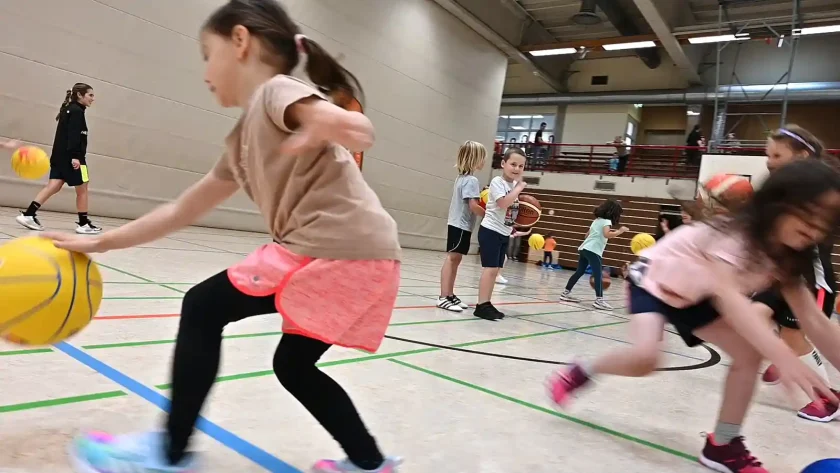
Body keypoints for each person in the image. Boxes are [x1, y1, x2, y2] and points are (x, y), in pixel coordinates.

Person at [57, 1, 402, 472]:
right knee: (294, 367)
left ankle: (169, 454)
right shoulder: (242, 139)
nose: (204, 69)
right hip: (367, 256)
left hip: (335, 249)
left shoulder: (277, 92)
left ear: (240, 41)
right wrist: (100, 241)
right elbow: (182, 210)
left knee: (203, 306)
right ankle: (369, 463)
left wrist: (332, 121)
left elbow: (360, 131)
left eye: (206, 52)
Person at [547, 159, 840, 473]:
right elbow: (730, 300)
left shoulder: (791, 254)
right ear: (779, 202)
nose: (816, 227)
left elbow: (815, 321)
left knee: (749, 355)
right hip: (654, 282)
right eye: (809, 213)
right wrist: (783, 356)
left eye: (827, 220)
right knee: (646, 359)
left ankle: (723, 445)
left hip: (697, 295)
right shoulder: (737, 233)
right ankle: (583, 369)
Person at [752, 125, 839, 422]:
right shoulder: (783, 189)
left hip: (810, 279)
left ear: (802, 156)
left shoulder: (816, 191)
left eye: (777, 154)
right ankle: (786, 356)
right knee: (754, 315)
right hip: (782, 274)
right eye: (767, 154)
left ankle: (826, 397)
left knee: (798, 334)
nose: (769, 160)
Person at [16, 83, 101, 234]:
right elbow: (74, 136)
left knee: (54, 185)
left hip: (59, 157)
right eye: (90, 95)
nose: (93, 99)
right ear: (80, 95)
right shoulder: (76, 112)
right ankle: (83, 224)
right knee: (83, 188)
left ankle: (29, 214)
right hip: (74, 158)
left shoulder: (68, 109)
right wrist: (76, 157)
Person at [475, 147, 531, 320]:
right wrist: (519, 188)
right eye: (513, 164)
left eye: (521, 166)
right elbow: (502, 203)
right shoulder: (497, 182)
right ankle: (481, 305)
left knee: (496, 270)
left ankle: (487, 302)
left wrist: (515, 224)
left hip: (503, 232)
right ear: (503, 163)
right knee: (490, 269)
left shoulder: (513, 185)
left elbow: (512, 210)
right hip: (490, 230)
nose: (516, 169)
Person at [438, 140, 486, 313]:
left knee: (455, 259)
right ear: (475, 159)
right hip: (460, 225)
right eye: (482, 158)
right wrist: (488, 215)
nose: (484, 162)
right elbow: (473, 206)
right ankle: (444, 296)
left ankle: (449, 294)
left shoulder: (462, 178)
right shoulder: (471, 180)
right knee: (452, 259)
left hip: (459, 224)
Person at [559, 199, 628, 310]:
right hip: (593, 250)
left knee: (579, 272)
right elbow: (606, 234)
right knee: (598, 275)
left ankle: (565, 294)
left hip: (584, 248)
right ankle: (599, 300)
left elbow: (586, 236)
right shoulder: (606, 222)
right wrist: (620, 231)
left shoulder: (597, 220)